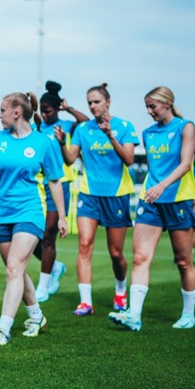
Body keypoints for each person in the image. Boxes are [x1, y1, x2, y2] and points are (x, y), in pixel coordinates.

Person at [0, 92, 68, 346]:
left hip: (31, 211)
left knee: (14, 267)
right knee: (16, 269)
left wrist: (62, 217)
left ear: (16, 112)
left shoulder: (43, 143)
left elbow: (55, 181)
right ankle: (36, 316)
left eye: (2, 110)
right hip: (3, 213)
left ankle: (3, 329)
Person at [109, 86, 195, 331]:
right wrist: (155, 188)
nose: (149, 112)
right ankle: (134, 315)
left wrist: (163, 186)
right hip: (150, 200)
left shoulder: (185, 127)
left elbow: (186, 164)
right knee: (140, 257)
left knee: (183, 261)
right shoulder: (148, 133)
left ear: (168, 103)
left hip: (178, 200)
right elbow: (156, 167)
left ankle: (188, 314)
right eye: (147, 107)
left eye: (153, 106)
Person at [58, 83, 138, 316]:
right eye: (89, 102)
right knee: (84, 245)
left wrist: (109, 136)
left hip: (117, 196)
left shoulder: (124, 126)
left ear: (108, 102)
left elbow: (129, 159)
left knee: (116, 253)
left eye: (96, 102)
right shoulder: (83, 129)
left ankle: (121, 293)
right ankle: (86, 302)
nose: (92, 106)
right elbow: (71, 160)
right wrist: (63, 143)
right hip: (89, 194)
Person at [34, 80, 88, 302]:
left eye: (48, 111)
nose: (45, 115)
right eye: (42, 112)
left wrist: (69, 109)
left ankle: (43, 286)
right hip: (38, 184)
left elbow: (87, 123)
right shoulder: (38, 127)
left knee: (48, 236)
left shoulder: (67, 126)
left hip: (60, 184)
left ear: (56, 109)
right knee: (33, 236)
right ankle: (55, 266)